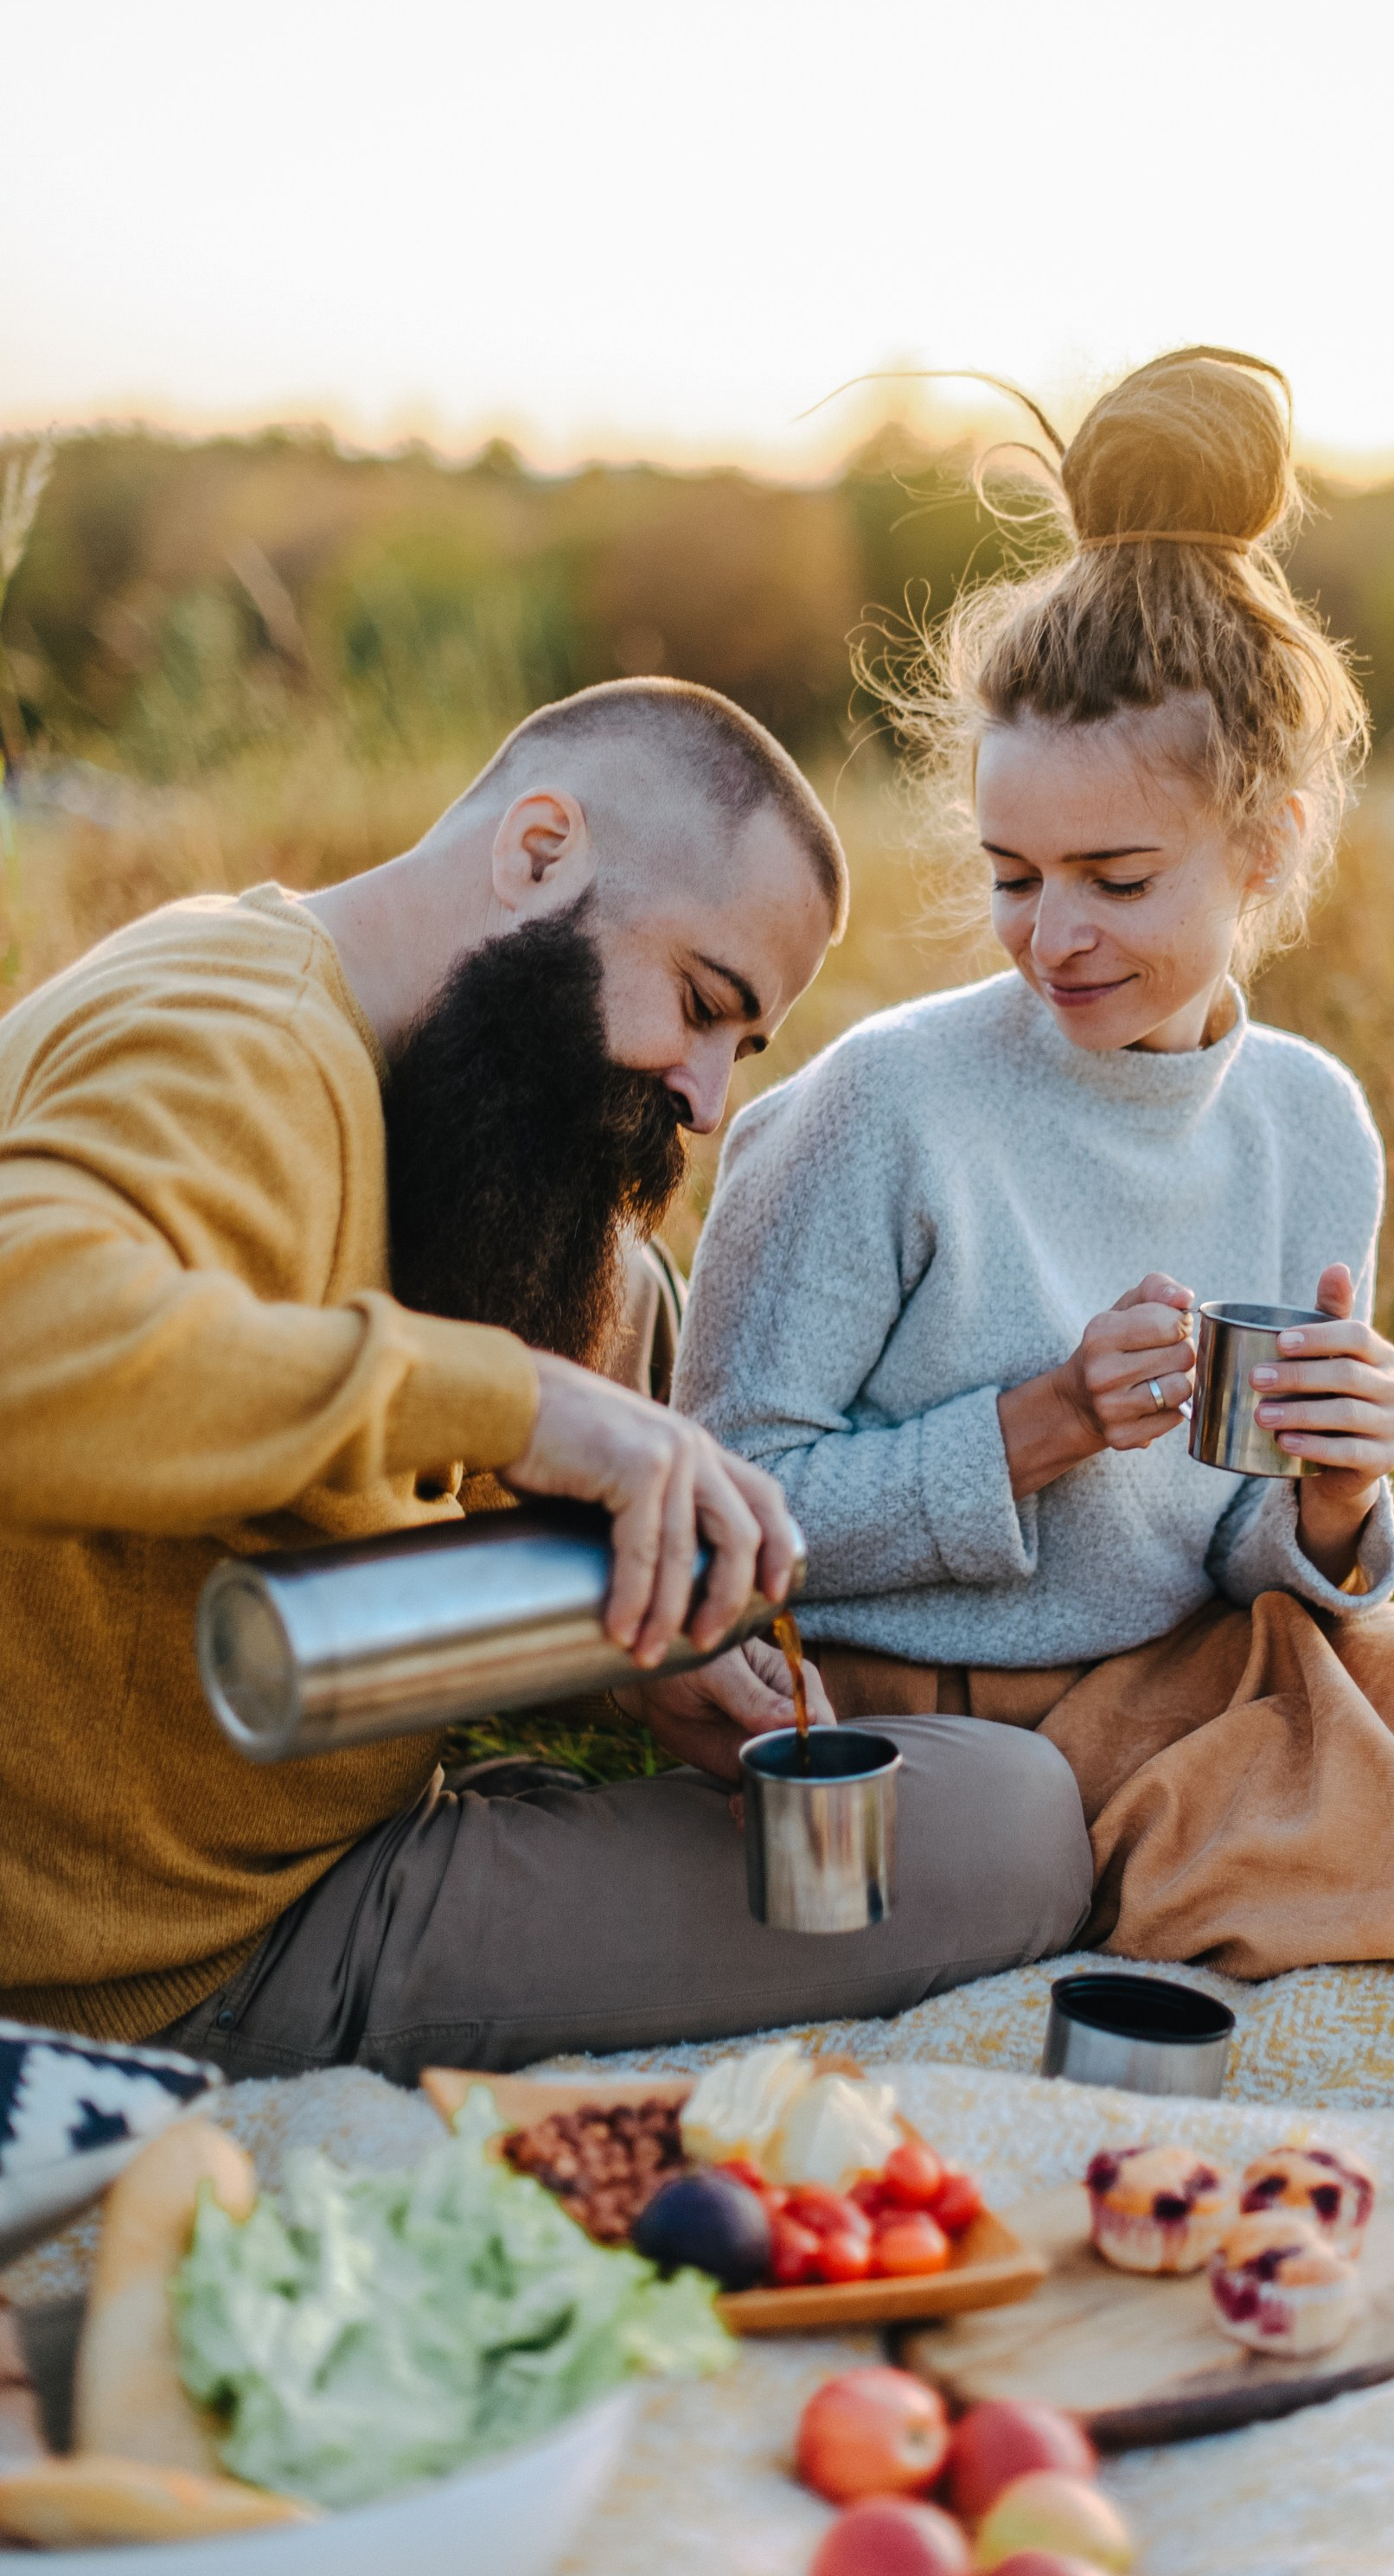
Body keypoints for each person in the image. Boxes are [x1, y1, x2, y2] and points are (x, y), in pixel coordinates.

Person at [676, 352, 1394, 1977]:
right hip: (978, 1736)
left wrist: (1338, 1495)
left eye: (1117, 877)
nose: (1053, 935)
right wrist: (1036, 1431)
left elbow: (1232, 1550)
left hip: (1218, 1654)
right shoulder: (884, 1108)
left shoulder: (1307, 1120)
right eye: (1015, 876)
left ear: (1267, 844)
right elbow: (719, 1515)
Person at [0, 678, 1090, 2083]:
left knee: (624, 1290)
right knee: (1002, 1828)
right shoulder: (231, 1044)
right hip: (163, 1953)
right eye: (702, 1005)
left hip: (297, 1821)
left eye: (738, 1050)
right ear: (537, 852)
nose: (707, 1102)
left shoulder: (398, 1079)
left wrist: (627, 1679)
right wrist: (525, 1402)